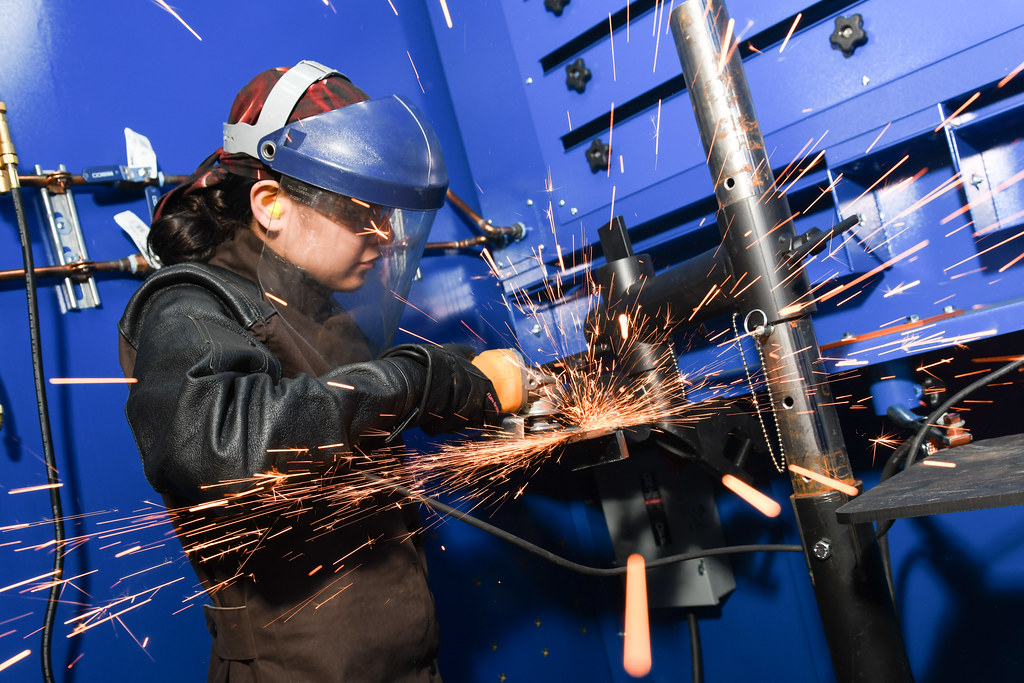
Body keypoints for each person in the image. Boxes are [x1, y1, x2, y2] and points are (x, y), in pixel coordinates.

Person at [118, 60, 501, 682]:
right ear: (271, 204)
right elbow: (216, 446)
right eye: (361, 213)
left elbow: (346, 406)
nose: (383, 236)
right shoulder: (188, 306)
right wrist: (418, 379)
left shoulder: (315, 307)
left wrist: (466, 380)